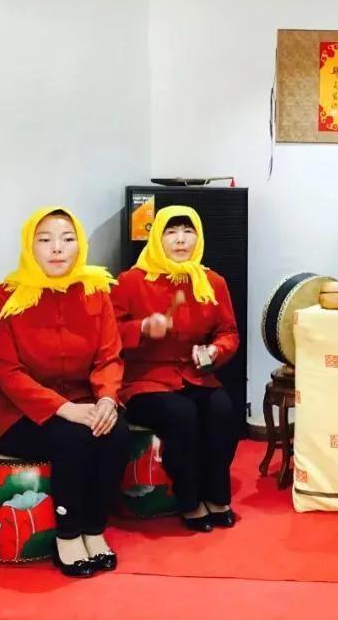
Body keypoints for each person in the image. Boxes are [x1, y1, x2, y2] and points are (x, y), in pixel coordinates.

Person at [0, 206, 129, 577]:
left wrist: (107, 399)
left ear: (80, 245)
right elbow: (6, 372)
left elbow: (109, 357)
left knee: (116, 432)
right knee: (72, 438)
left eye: (67, 239)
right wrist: (63, 408)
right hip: (17, 413)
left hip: (85, 403)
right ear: (30, 246)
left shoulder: (96, 292)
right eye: (45, 240)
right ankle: (68, 534)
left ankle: (94, 528)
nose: (57, 248)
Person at [112, 205, 240, 532]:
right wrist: (142, 328)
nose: (180, 240)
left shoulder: (212, 282)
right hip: (145, 381)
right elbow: (109, 333)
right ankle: (189, 500)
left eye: (187, 231)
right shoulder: (130, 281)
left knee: (223, 409)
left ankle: (216, 495)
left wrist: (215, 350)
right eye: (171, 232)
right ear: (157, 237)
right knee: (182, 414)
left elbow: (228, 332)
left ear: (199, 237)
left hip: (195, 376)